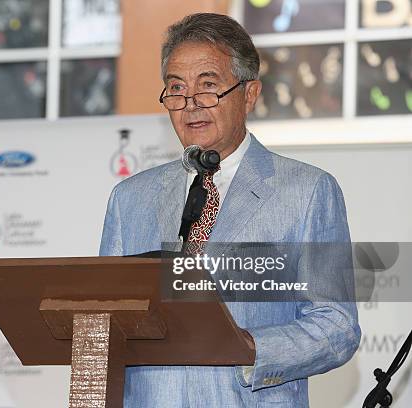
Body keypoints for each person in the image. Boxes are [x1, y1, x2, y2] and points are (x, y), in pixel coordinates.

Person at [99, 13, 360, 407]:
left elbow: (336, 326)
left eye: (208, 87)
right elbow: (106, 320)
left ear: (249, 94)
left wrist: (247, 348)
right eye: (176, 89)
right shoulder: (129, 199)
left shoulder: (307, 192)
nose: (190, 105)